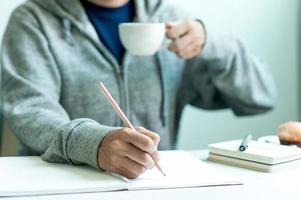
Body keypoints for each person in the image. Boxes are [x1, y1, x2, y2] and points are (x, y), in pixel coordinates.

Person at [1, 0, 276, 179]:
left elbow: (259, 98)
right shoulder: (33, 19)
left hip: (152, 186)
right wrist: (94, 143)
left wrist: (212, 45)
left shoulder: (171, 21)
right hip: (61, 186)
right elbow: (30, 111)